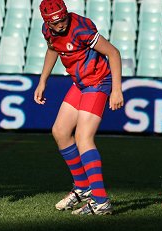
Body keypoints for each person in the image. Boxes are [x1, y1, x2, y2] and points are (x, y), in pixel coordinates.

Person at [34, 0, 124, 215]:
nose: (60, 26)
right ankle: (83, 188)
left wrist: (117, 90)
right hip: (80, 83)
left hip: (98, 81)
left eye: (62, 20)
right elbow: (52, 49)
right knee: (60, 132)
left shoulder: (81, 29)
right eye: (55, 23)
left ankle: (101, 201)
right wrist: (43, 80)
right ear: (47, 22)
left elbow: (113, 53)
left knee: (84, 137)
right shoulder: (48, 29)